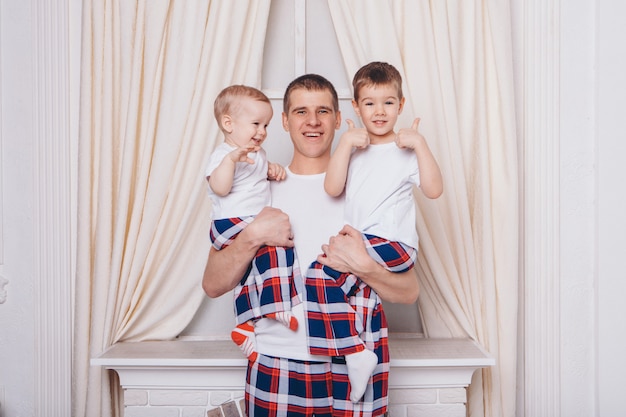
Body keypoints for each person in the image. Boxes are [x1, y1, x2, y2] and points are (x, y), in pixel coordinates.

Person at [203, 74, 420, 417]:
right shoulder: (258, 190)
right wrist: (254, 235)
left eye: (322, 111)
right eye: (301, 112)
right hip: (277, 363)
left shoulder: (368, 192)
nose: (313, 121)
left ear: (338, 118)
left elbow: (408, 291)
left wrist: (361, 265)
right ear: (285, 121)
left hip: (354, 365)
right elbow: (213, 284)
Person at [304, 60, 444, 401]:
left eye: (388, 103)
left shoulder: (405, 150)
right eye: (369, 103)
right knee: (317, 278)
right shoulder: (355, 149)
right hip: (362, 244)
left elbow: (434, 190)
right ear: (355, 107)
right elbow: (332, 187)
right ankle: (355, 353)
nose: (379, 111)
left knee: (320, 273)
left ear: (401, 105)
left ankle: (354, 355)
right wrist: (346, 144)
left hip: (393, 244)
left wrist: (421, 145)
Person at [205, 85, 297, 363]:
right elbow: (220, 188)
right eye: (255, 124)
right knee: (278, 246)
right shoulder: (224, 155)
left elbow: (255, 180)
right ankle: (275, 304)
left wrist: (271, 170)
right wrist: (231, 162)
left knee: (250, 276)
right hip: (229, 223)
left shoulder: (257, 154)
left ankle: (245, 325)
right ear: (228, 124)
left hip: (246, 221)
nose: (262, 131)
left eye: (266, 125)